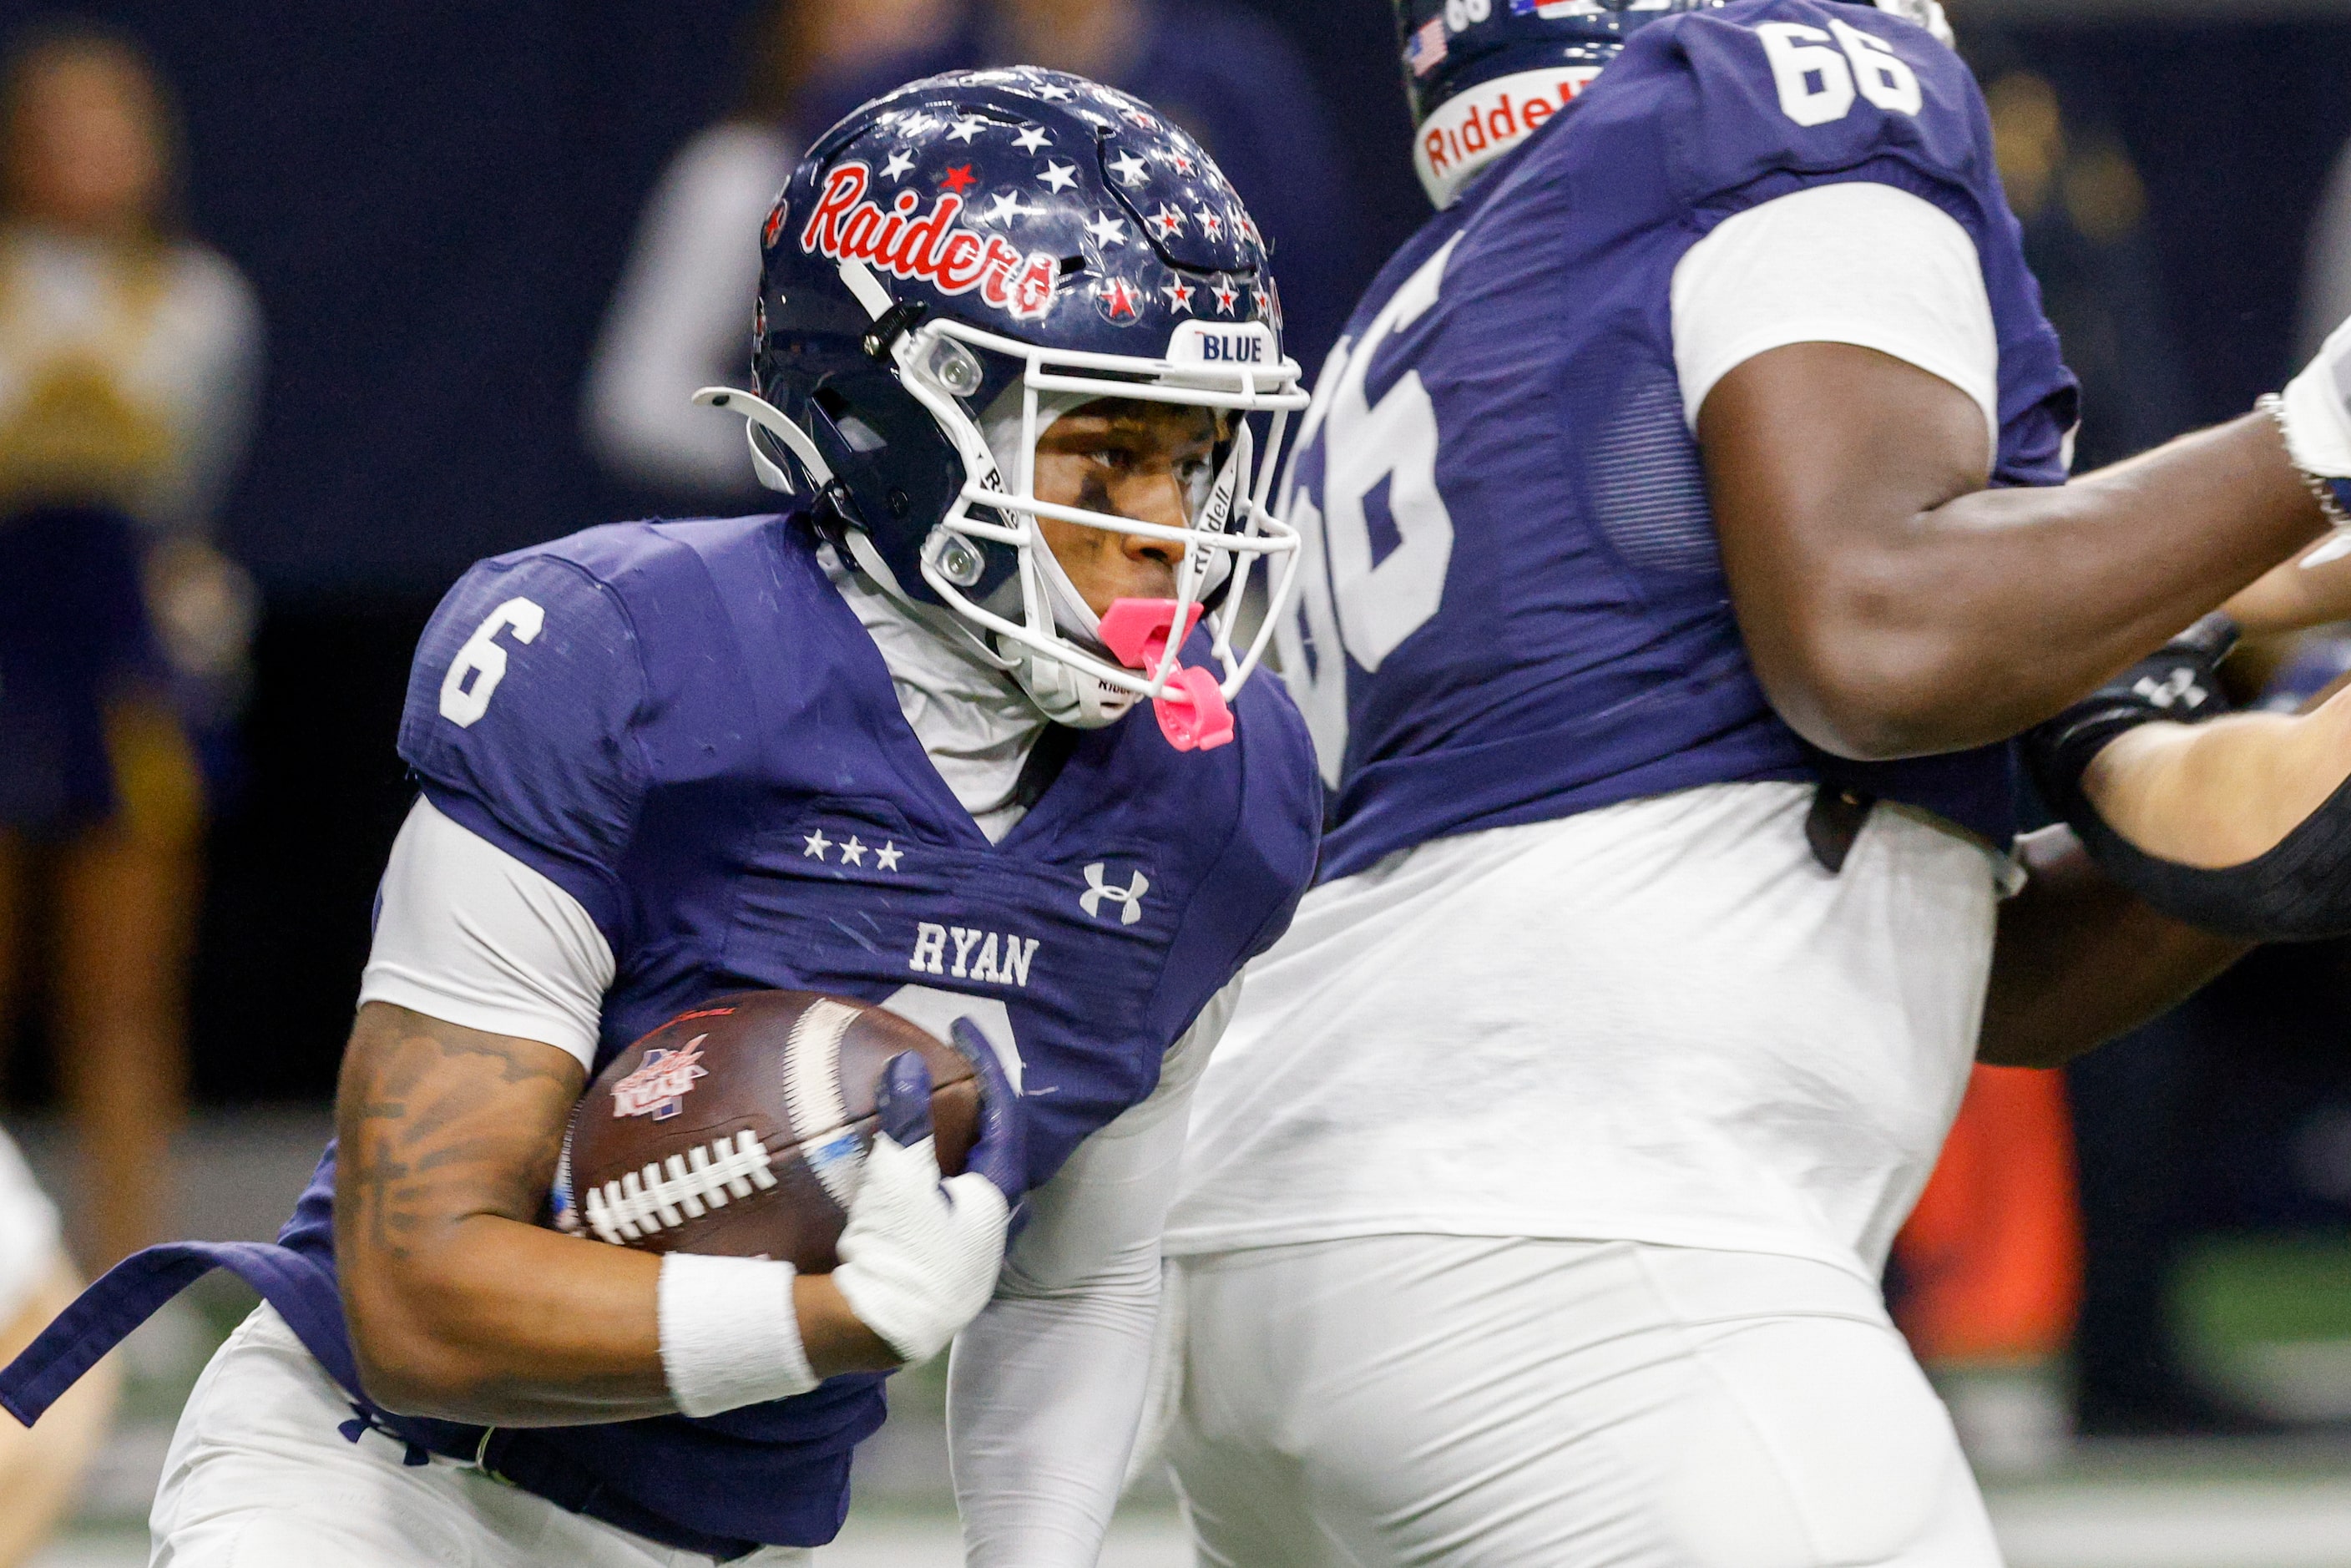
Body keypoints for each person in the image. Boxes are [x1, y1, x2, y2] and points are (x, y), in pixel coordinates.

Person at [3, 68, 1319, 1567]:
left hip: (734, 1543)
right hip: (383, 1484)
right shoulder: (623, 659)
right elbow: (414, 1288)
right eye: (1103, 454)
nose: (1168, 535)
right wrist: (827, 1317)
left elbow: (1080, 1280)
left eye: (1194, 459)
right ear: (895, 417)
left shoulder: (1219, 777)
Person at [1155, 1, 2339, 1561]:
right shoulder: (1777, 105)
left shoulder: (1457, 308)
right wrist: (2315, 436)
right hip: (1598, 1264)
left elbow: (1935, 947)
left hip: (1293, 1277)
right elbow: (1876, 632)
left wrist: (2240, 703)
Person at [0, 22, 263, 1270]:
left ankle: (122, 1266)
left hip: (123, 680)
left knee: (121, 992)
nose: (88, 156)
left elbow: (193, 499)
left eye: (113, 129)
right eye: (60, 129)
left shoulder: (204, 304)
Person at [583, 0, 964, 503]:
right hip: (779, 535)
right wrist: (804, 449)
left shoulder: (966, 203)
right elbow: (637, 402)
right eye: (857, 21)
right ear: (806, 29)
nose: (898, 47)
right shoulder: (744, 175)